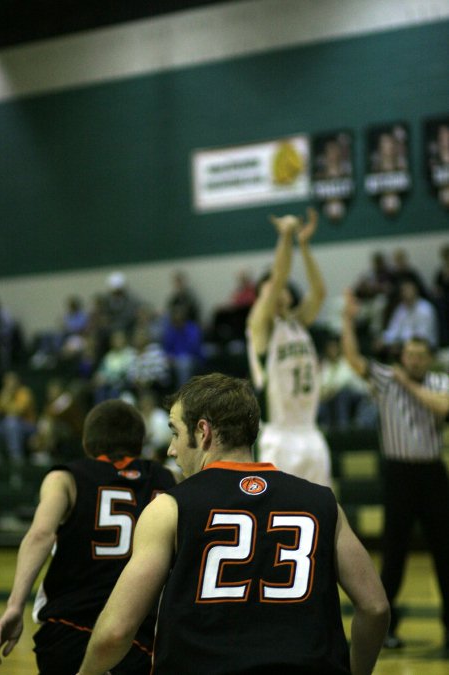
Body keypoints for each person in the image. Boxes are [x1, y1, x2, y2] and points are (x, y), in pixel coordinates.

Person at [76, 372, 389, 675]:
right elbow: (375, 608)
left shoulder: (169, 508)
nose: (171, 449)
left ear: (203, 432)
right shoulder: (323, 502)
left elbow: (116, 631)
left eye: (175, 432)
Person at [0, 398, 176, 674]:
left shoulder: (65, 478)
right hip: (134, 635)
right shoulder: (168, 479)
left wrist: (15, 605)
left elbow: (40, 535)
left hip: (71, 626)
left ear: (86, 441)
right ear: (140, 441)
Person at [342, 289, 449, 654]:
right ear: (402, 356)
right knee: (395, 555)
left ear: (428, 358)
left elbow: (442, 408)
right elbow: (353, 359)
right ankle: (386, 630)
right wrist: (347, 320)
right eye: (411, 355)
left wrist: (410, 385)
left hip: (433, 475)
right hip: (399, 475)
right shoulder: (387, 379)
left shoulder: (437, 381)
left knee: (444, 554)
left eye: (422, 355)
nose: (416, 360)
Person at [246, 208, 331, 486]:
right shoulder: (260, 325)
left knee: (322, 514)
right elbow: (280, 274)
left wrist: (304, 246)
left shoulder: (297, 323)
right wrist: (285, 237)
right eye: (268, 287)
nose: (275, 289)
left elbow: (319, 292)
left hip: (310, 430)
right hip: (278, 436)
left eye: (278, 287)